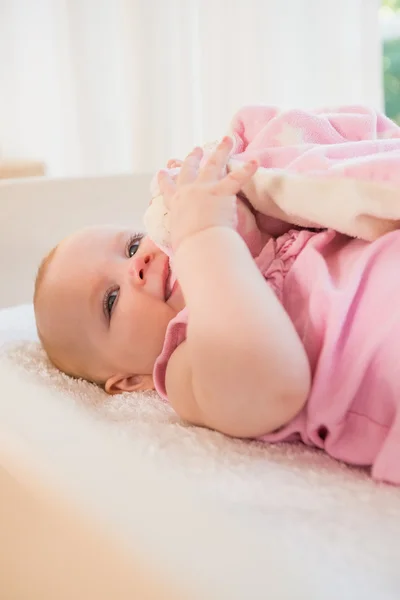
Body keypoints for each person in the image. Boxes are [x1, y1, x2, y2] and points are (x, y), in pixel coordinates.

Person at [34, 137, 400, 484]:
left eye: (131, 246)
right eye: (111, 300)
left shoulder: (260, 249)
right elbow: (270, 388)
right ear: (130, 381)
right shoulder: (188, 368)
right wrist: (202, 235)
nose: (138, 264)